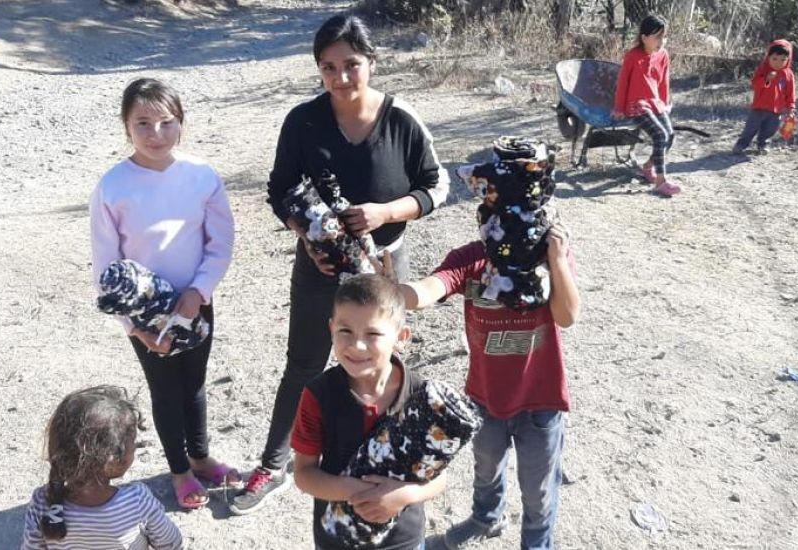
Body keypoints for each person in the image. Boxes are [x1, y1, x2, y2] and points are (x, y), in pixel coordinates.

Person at [233, 14, 449, 514]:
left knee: (384, 365)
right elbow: (280, 190)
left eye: (351, 64)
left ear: (372, 62)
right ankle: (276, 462)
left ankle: (394, 462)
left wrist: (386, 212)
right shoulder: (303, 121)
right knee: (304, 364)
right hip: (320, 270)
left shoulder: (402, 120)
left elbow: (435, 185)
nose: (340, 77)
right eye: (328, 67)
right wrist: (305, 235)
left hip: (384, 269)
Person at [90, 77, 238, 510]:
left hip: (196, 302)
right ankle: (179, 471)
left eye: (166, 122)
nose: (155, 134)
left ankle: (201, 455)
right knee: (165, 390)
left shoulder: (201, 176)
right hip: (145, 311)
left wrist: (199, 290)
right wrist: (133, 326)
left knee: (193, 384)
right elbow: (105, 266)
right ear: (126, 127)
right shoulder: (113, 186)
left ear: (181, 124)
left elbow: (220, 242)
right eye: (142, 124)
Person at [400, 224, 581, 550]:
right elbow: (429, 289)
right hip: (485, 398)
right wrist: (388, 291)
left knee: (538, 489)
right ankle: (487, 518)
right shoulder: (472, 258)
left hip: (540, 400)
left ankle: (537, 543)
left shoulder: (546, 258)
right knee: (486, 467)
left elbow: (567, 316)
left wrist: (557, 259)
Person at [290, 275, 447, 550]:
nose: (357, 345)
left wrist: (401, 495)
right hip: (338, 539)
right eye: (345, 331)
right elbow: (304, 473)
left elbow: (440, 477)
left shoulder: (423, 396)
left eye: (373, 334)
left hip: (403, 539)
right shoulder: (318, 395)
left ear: (401, 337)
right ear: (331, 329)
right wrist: (358, 493)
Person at [21, 386, 184, 550]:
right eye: (132, 442)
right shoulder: (137, 500)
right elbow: (171, 544)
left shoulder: (43, 501)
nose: (134, 447)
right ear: (113, 460)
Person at [612, 14, 680, 197]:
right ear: (644, 38)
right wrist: (619, 108)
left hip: (655, 103)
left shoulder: (663, 55)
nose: (661, 41)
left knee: (669, 135)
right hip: (636, 105)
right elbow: (623, 83)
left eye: (664, 36)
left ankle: (648, 167)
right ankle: (661, 181)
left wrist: (665, 103)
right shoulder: (633, 56)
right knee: (660, 134)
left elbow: (664, 81)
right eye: (657, 37)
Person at [733, 40, 797, 155]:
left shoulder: (788, 74)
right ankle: (741, 144)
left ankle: (763, 145)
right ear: (768, 57)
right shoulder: (763, 69)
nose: (778, 63)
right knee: (751, 128)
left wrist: (791, 107)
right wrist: (766, 79)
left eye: (783, 60)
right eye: (775, 59)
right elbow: (755, 83)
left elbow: (790, 92)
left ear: (788, 59)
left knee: (770, 129)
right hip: (759, 107)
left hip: (776, 109)